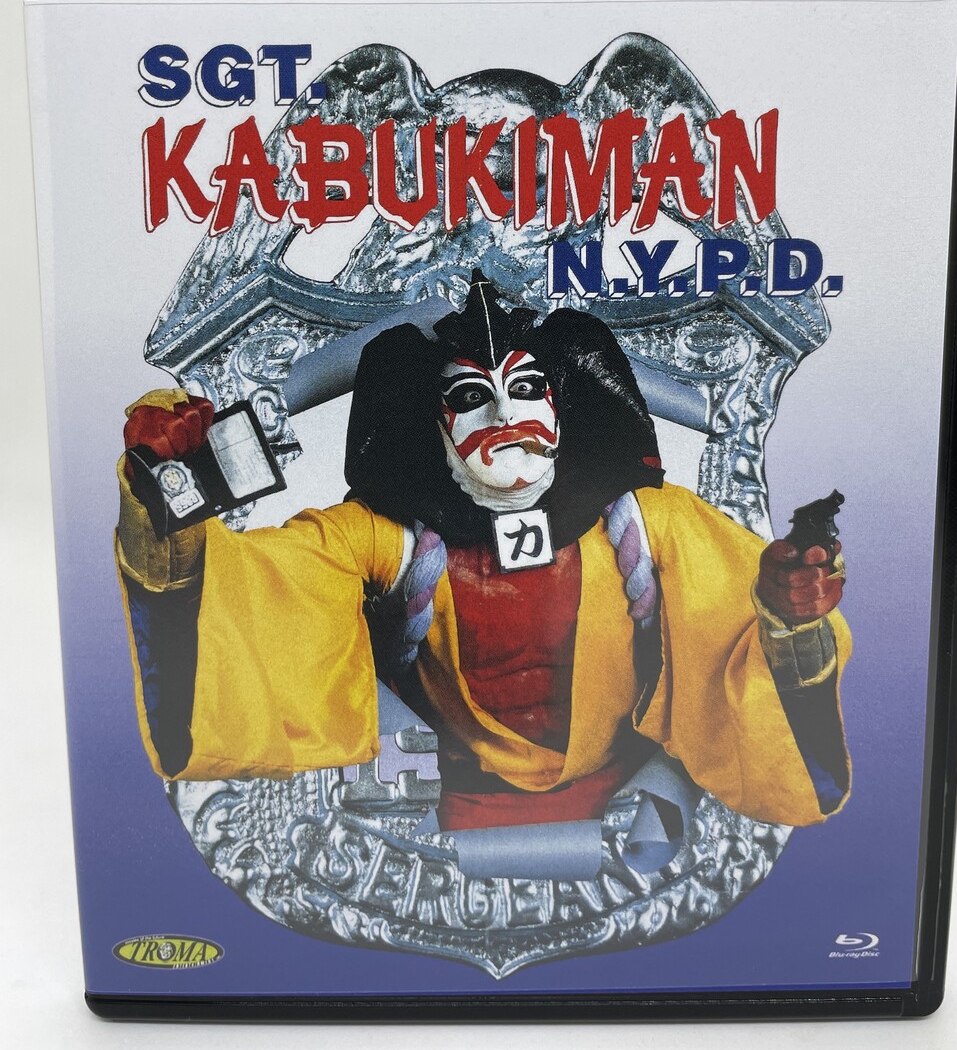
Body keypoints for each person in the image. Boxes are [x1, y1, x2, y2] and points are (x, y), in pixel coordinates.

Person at [116, 273, 851, 831]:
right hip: (442, 798)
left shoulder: (653, 522)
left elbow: (748, 645)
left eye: (527, 388)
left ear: (561, 408)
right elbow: (247, 599)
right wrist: (166, 509)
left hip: (630, 792)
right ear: (431, 426)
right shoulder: (383, 537)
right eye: (471, 397)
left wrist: (793, 624)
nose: (506, 413)